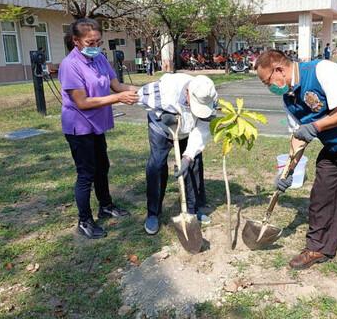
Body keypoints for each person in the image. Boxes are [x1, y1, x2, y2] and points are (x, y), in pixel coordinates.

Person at [256, 50, 337, 282]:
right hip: (334, 147)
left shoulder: (322, 70)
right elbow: (298, 137)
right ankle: (320, 247)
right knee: (321, 197)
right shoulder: (289, 98)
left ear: (279, 70)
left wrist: (315, 127)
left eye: (267, 81)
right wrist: (289, 171)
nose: (268, 86)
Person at [58, 18, 140, 239]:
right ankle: (84, 221)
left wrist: (148, 90)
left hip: (96, 124)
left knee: (102, 167)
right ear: (76, 41)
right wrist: (118, 98)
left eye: (98, 42)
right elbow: (82, 102)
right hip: (79, 125)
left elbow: (117, 85)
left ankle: (105, 206)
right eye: (89, 43)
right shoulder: (70, 65)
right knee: (86, 173)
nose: (95, 47)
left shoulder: (100, 58)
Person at [138, 74, 218, 235]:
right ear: (187, 91)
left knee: (193, 165)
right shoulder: (166, 89)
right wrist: (161, 114)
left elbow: (202, 129)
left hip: (187, 130)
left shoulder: (210, 96)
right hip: (161, 128)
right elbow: (140, 97)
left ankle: (192, 210)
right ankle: (153, 213)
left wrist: (188, 156)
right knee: (157, 166)